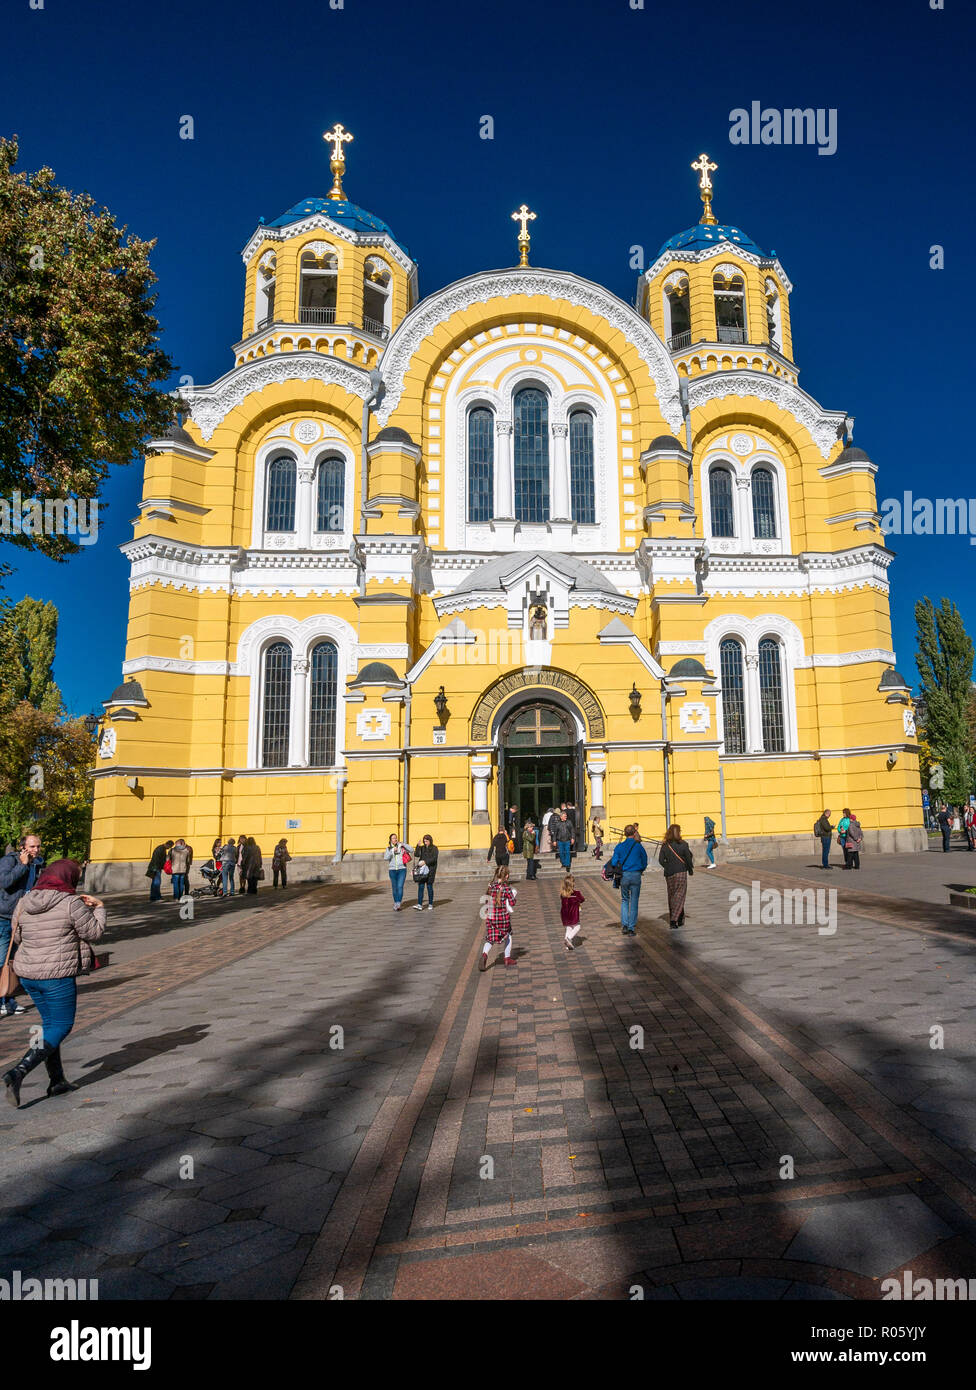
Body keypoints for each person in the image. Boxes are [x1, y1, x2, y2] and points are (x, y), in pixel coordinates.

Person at [2, 859, 105, 1108]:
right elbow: (94, 933)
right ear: (69, 878)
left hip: (28, 974)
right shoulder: (70, 903)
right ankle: (18, 1072)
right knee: (61, 1024)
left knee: (48, 1025)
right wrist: (99, 907)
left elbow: (17, 935)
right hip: (56, 974)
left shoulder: (25, 901)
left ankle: (57, 1081)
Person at [0, 832, 45, 1017]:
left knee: (14, 962)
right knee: (2, 960)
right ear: (22, 847)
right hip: (4, 916)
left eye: (38, 846)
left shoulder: (38, 863)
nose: (36, 850)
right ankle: (2, 1000)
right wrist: (23, 865)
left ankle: (9, 998)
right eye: (32, 846)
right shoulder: (9, 861)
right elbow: (4, 882)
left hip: (22, 917)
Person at [609, 824, 648, 936]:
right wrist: (641, 869)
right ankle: (631, 928)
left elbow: (613, 862)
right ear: (634, 833)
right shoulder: (638, 846)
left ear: (625, 834)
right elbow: (644, 860)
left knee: (625, 900)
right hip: (636, 874)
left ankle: (625, 925)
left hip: (624, 876)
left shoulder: (619, 846)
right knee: (634, 901)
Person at [479, 866, 517, 971]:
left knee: (490, 938)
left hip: (491, 918)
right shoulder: (507, 889)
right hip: (503, 919)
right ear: (507, 876)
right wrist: (513, 896)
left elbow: (487, 901)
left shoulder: (491, 886)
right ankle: (507, 958)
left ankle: (485, 955)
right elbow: (513, 902)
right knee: (508, 936)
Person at [659, 823, 694, 930]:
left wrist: (668, 866)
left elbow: (661, 860)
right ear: (678, 833)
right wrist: (690, 869)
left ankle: (679, 917)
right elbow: (688, 859)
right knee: (679, 894)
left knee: (672, 895)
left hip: (669, 873)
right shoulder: (684, 844)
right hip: (681, 872)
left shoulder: (665, 845)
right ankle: (674, 920)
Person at [384, 832, 410, 910]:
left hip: (402, 869)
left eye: (396, 837)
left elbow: (411, 850)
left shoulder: (401, 846)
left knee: (400, 886)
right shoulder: (388, 848)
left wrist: (404, 844)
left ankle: (398, 903)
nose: (395, 839)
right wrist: (392, 851)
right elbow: (386, 858)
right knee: (394, 887)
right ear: (390, 840)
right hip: (392, 870)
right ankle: (395, 902)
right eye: (393, 838)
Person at [559, 873, 585, 952]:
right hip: (573, 914)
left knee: (569, 928)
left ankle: (568, 945)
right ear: (572, 884)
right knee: (577, 927)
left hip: (564, 914)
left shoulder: (562, 894)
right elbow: (582, 899)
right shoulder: (576, 893)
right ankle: (568, 938)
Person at [413, 834, 438, 910]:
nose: (425, 842)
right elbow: (416, 855)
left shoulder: (434, 848)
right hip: (422, 871)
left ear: (430, 841)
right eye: (424, 841)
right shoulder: (422, 848)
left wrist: (425, 862)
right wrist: (417, 846)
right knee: (421, 887)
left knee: (429, 887)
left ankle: (430, 904)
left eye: (427, 841)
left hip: (430, 871)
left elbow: (434, 859)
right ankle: (420, 904)